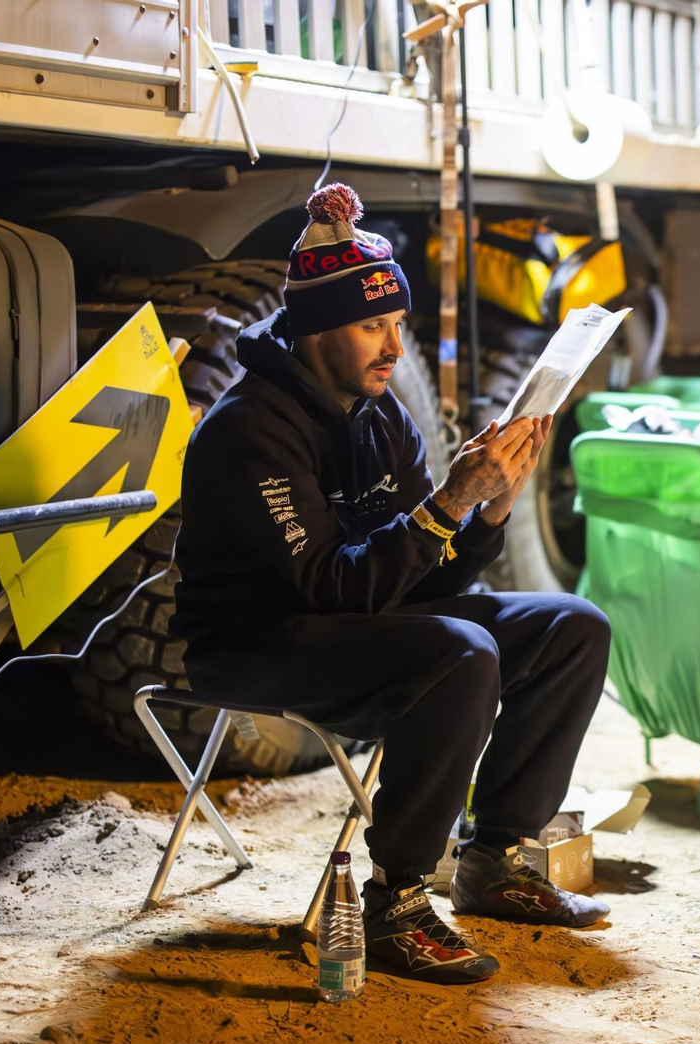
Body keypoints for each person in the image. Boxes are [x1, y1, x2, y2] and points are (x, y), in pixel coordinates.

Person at [171, 183, 613, 985]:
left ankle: (493, 859)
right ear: (314, 330)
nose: (393, 349)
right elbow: (328, 588)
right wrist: (447, 503)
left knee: (573, 625)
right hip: (262, 640)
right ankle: (396, 902)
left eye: (397, 325)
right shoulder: (247, 430)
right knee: (459, 650)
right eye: (373, 325)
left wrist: (485, 513)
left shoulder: (380, 416)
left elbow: (427, 577)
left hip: (357, 622)